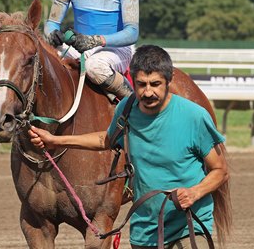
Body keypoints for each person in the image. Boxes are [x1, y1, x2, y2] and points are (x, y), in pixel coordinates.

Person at [28, 45, 230, 248]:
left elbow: (220, 171)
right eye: (141, 84)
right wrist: (55, 140)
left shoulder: (194, 116)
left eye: (155, 84)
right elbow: (106, 140)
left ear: (169, 80)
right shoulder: (126, 109)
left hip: (188, 226)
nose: (148, 92)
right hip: (145, 230)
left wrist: (195, 192)